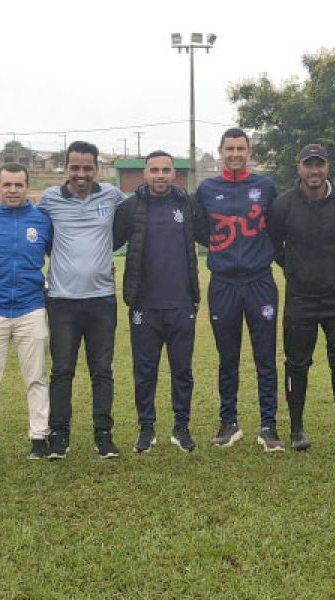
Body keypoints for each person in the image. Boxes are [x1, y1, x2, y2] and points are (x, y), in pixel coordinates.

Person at [268, 144, 335, 450]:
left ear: (327, 168)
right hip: (300, 298)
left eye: (319, 165)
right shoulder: (283, 204)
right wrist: (297, 269)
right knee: (297, 363)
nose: (314, 171)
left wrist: (332, 267)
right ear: (299, 168)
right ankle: (297, 430)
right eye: (308, 165)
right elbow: (274, 246)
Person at [113, 151, 208, 453]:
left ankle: (182, 428)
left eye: (166, 170)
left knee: (182, 370)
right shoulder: (130, 208)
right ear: (145, 173)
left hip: (182, 304)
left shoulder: (188, 205)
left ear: (174, 174)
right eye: (154, 170)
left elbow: (211, 235)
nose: (160, 176)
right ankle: (146, 429)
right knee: (145, 370)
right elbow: (108, 241)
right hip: (144, 305)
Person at [195, 128, 284, 451]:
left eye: (240, 148)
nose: (235, 154)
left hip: (260, 282)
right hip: (223, 284)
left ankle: (268, 425)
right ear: (220, 150)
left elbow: (277, 228)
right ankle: (228, 422)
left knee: (265, 357)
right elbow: (202, 231)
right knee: (227, 356)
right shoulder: (207, 189)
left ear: (249, 151)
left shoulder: (265, 187)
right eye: (229, 148)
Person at [38, 142, 126, 459]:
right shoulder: (49, 200)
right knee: (62, 371)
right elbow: (32, 229)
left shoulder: (113, 196)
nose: (81, 174)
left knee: (102, 371)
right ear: (66, 168)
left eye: (87, 167)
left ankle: (103, 435)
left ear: (97, 169)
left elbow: (132, 222)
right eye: (75, 167)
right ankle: (59, 436)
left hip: (102, 300)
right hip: (61, 301)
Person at [0, 163, 52, 460]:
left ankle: (39, 437)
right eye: (7, 185)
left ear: (27, 187)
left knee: (37, 377)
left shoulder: (42, 220)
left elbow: (59, 254)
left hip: (31, 308)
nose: (13, 190)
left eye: (18, 185)